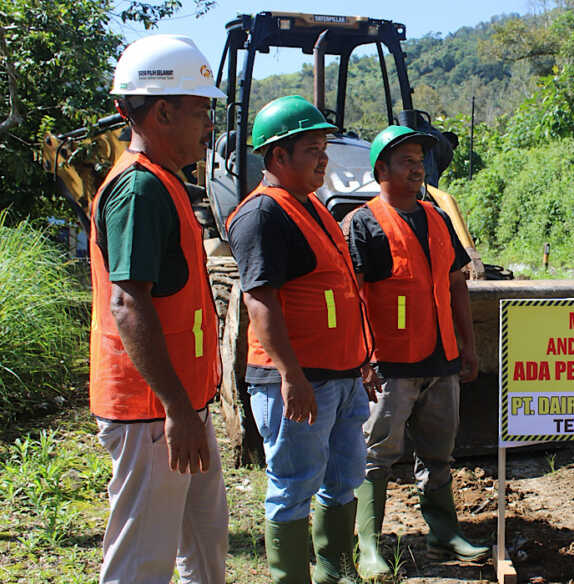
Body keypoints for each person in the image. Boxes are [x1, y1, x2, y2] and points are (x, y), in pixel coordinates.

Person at [89, 35, 228, 584]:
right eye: (200, 110)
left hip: (180, 404)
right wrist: (174, 409)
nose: (207, 125)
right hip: (153, 410)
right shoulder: (140, 191)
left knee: (204, 543)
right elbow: (128, 303)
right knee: (142, 562)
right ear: (163, 111)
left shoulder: (166, 184)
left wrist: (187, 408)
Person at [226, 95, 376, 584]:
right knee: (292, 485)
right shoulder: (263, 215)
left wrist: (362, 358)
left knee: (343, 477)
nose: (324, 158)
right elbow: (260, 302)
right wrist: (292, 377)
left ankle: (336, 568)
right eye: (312, 149)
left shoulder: (311, 206)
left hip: (340, 374)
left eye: (323, 147)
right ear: (277, 157)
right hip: (296, 380)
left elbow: (341, 291)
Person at [344, 125, 487, 580]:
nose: (417, 167)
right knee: (375, 456)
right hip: (390, 363)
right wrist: (363, 357)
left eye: (419, 159)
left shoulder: (437, 217)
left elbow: (455, 284)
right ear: (380, 169)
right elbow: (354, 297)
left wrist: (467, 345)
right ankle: (369, 545)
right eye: (406, 160)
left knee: (440, 453)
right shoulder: (362, 223)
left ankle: (443, 532)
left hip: (441, 358)